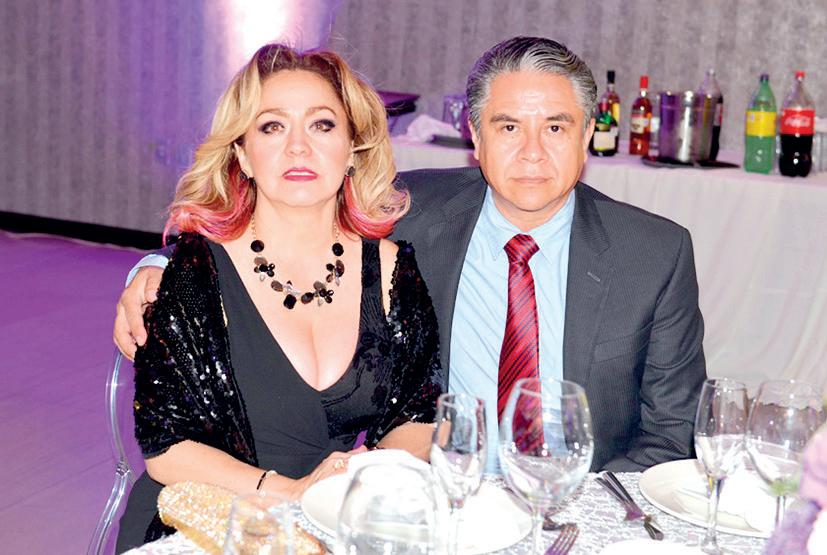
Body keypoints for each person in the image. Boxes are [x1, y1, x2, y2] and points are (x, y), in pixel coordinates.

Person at [115, 36, 705, 477]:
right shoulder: (410, 212)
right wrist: (158, 267)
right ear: (474, 136)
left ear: (587, 134)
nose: (532, 152)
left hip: (573, 505)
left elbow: (672, 435)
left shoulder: (654, 254)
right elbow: (285, 218)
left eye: (555, 127)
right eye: (507, 127)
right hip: (434, 498)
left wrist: (574, 515)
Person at [114, 43, 442, 551]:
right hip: (206, 522)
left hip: (331, 521)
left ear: (353, 148)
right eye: (272, 127)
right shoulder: (193, 273)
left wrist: (367, 476)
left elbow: (417, 415)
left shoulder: (391, 268)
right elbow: (167, 447)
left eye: (322, 125)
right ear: (242, 154)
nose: (298, 147)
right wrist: (291, 493)